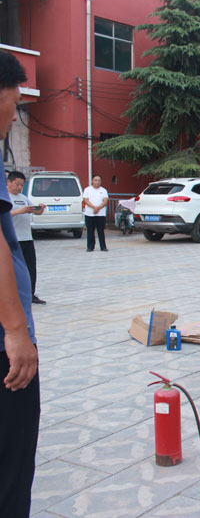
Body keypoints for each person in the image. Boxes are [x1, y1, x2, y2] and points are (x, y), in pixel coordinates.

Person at [0, 49, 39, 518]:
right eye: (12, 105)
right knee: (11, 466)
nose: (13, 117)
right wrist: (15, 331)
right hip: (5, 349)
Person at [7, 171, 46, 304]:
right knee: (13, 270)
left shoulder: (23, 197)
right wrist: (20, 211)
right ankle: (13, 296)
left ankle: (30, 294)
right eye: (17, 184)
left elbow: (36, 212)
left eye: (21, 185)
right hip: (12, 239)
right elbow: (5, 215)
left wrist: (40, 209)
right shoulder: (5, 198)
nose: (19, 187)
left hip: (27, 238)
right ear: (9, 182)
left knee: (30, 267)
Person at [83, 174, 109, 252]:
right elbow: (86, 200)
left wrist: (98, 208)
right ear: (92, 181)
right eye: (95, 180)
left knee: (100, 231)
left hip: (100, 214)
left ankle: (103, 247)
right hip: (89, 214)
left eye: (99, 180)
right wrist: (94, 207)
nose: (97, 182)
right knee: (90, 231)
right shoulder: (87, 190)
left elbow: (105, 201)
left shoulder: (103, 190)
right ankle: (90, 247)